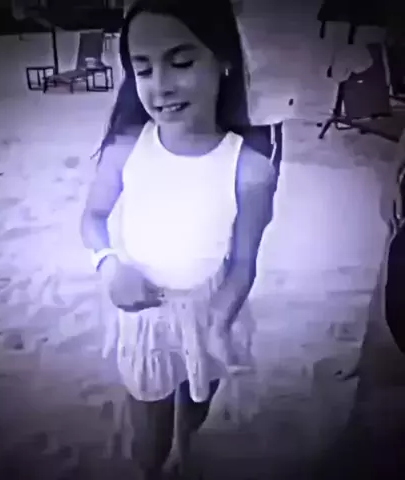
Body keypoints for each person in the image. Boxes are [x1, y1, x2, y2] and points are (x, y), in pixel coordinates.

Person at [81, 0, 280, 478]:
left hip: (209, 308)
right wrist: (108, 264)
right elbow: (92, 217)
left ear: (223, 59)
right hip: (144, 316)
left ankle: (185, 450)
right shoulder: (124, 149)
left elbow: (243, 263)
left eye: (181, 62)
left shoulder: (251, 169)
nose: (161, 85)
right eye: (143, 69)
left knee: (195, 405)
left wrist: (220, 320)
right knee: (147, 436)